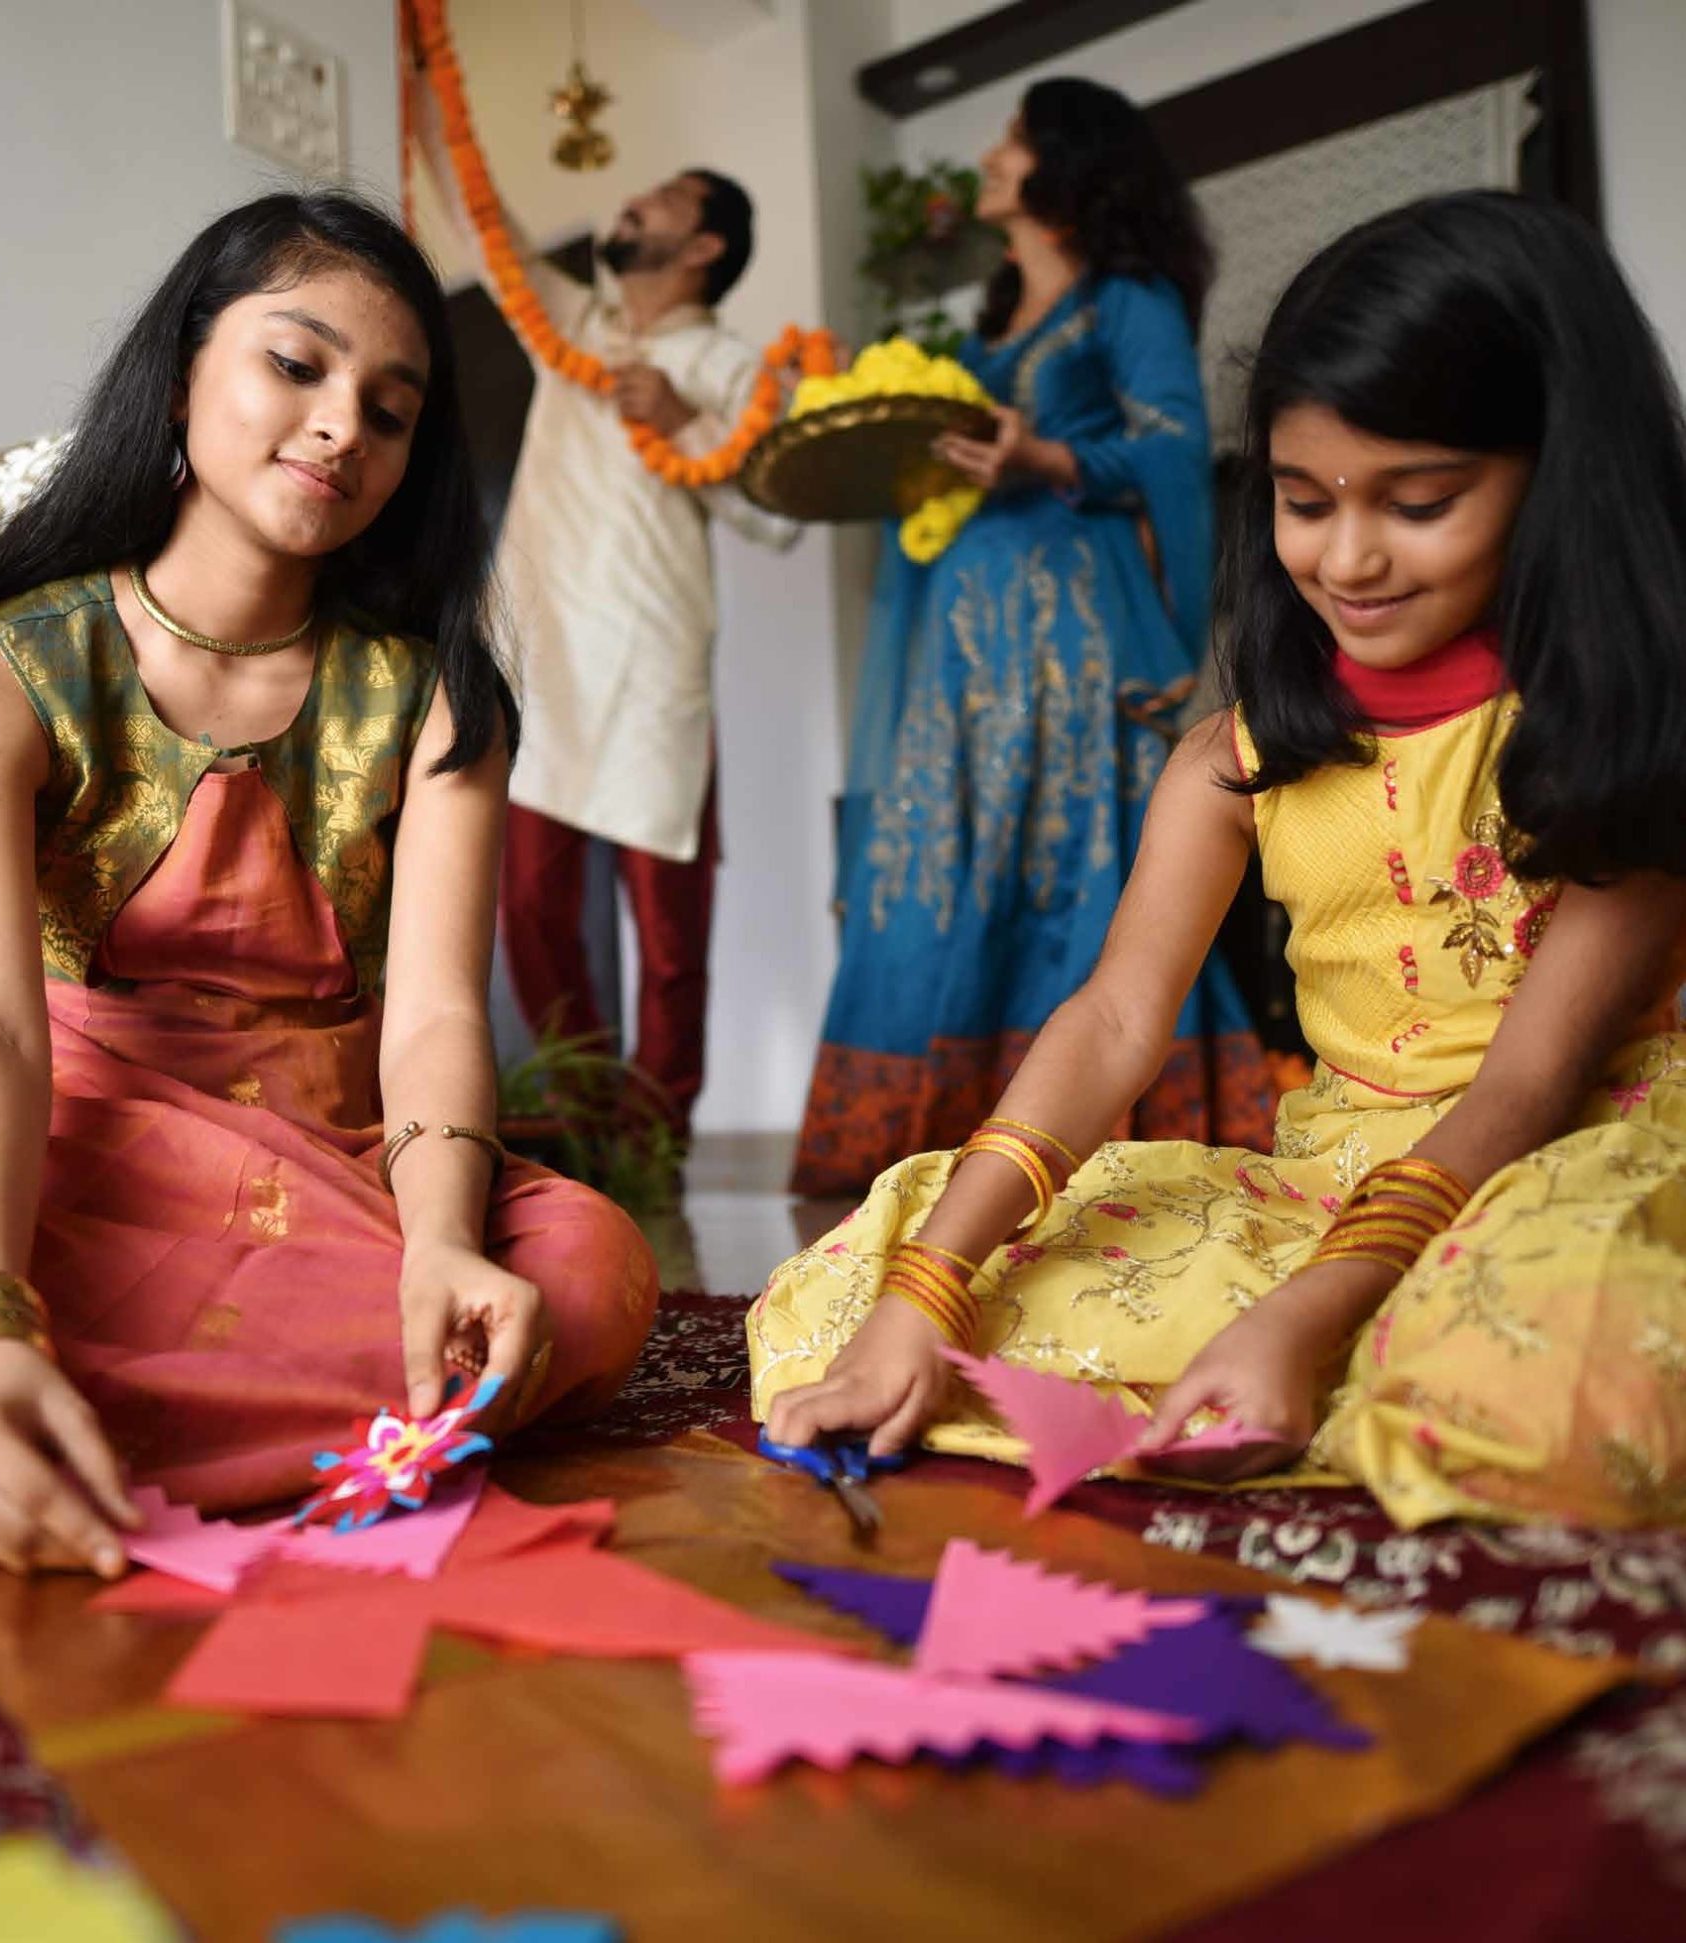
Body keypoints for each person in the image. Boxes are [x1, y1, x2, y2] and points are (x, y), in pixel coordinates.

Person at [0, 192, 658, 1571]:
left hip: (342, 1168)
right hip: (64, 1136)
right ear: (180, 374)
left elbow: (436, 1021)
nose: (344, 422)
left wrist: (439, 1245)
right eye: (298, 364)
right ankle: (13, 1426)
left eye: (390, 410)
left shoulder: (436, 697)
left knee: (577, 1278)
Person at [753, 190, 1686, 1530]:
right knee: (857, 1280)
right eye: (1304, 502)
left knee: (1572, 1371)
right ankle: (1330, 1364)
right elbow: (1118, 1016)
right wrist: (925, 1292)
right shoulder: (1228, 758)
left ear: (1555, 475)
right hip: (1329, 1178)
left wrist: (1303, 1311)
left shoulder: (1617, 734)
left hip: (1577, 1159)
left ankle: (1329, 1355)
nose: (1345, 557)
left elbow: (1530, 1083)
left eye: (1418, 503)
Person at [792, 78, 1272, 1197]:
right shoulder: (992, 322)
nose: (991, 157)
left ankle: (1085, 1129)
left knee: (1069, 860)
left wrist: (1046, 460)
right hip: (962, 654)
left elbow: (1172, 450)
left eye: (1011, 140)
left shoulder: (1124, 301)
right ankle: (940, 1134)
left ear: (1064, 163)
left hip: (1071, 642)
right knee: (950, 859)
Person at [411, 76, 797, 1139]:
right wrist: (423, 86)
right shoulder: (565, 323)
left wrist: (681, 426)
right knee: (527, 909)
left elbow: (783, 517)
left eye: (662, 198)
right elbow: (485, 230)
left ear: (704, 245)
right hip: (540, 657)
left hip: (653, 665)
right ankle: (588, 1125)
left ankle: (658, 1135)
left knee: (667, 930)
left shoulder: (733, 368)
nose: (632, 203)